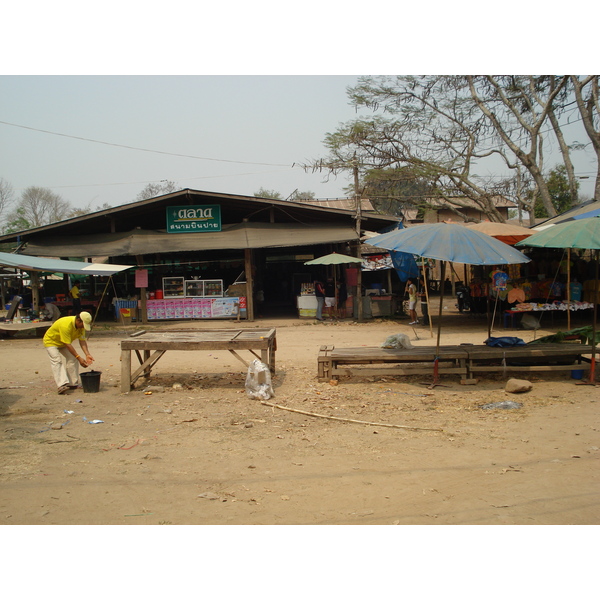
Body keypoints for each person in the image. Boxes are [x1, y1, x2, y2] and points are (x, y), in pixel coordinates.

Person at [43, 311, 94, 394]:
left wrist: (87, 354)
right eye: (83, 325)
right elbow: (68, 344)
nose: (83, 327)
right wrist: (79, 357)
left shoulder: (81, 327)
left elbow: (82, 341)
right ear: (78, 320)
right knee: (57, 360)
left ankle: (72, 383)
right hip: (51, 341)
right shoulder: (65, 325)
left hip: (63, 342)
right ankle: (61, 384)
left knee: (72, 358)